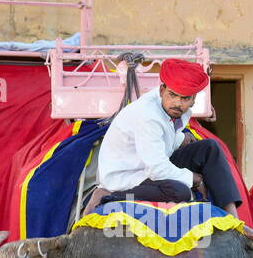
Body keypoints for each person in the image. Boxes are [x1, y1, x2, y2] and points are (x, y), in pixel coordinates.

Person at [97, 58, 241, 216]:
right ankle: (108, 196)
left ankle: (234, 218)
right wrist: (194, 179)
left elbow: (162, 141)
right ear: (161, 90)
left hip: (147, 166)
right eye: (172, 95)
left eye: (185, 98)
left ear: (193, 100)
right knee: (180, 192)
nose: (177, 103)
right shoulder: (148, 115)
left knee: (210, 148)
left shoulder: (180, 111)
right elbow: (157, 170)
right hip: (127, 176)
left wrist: (180, 138)